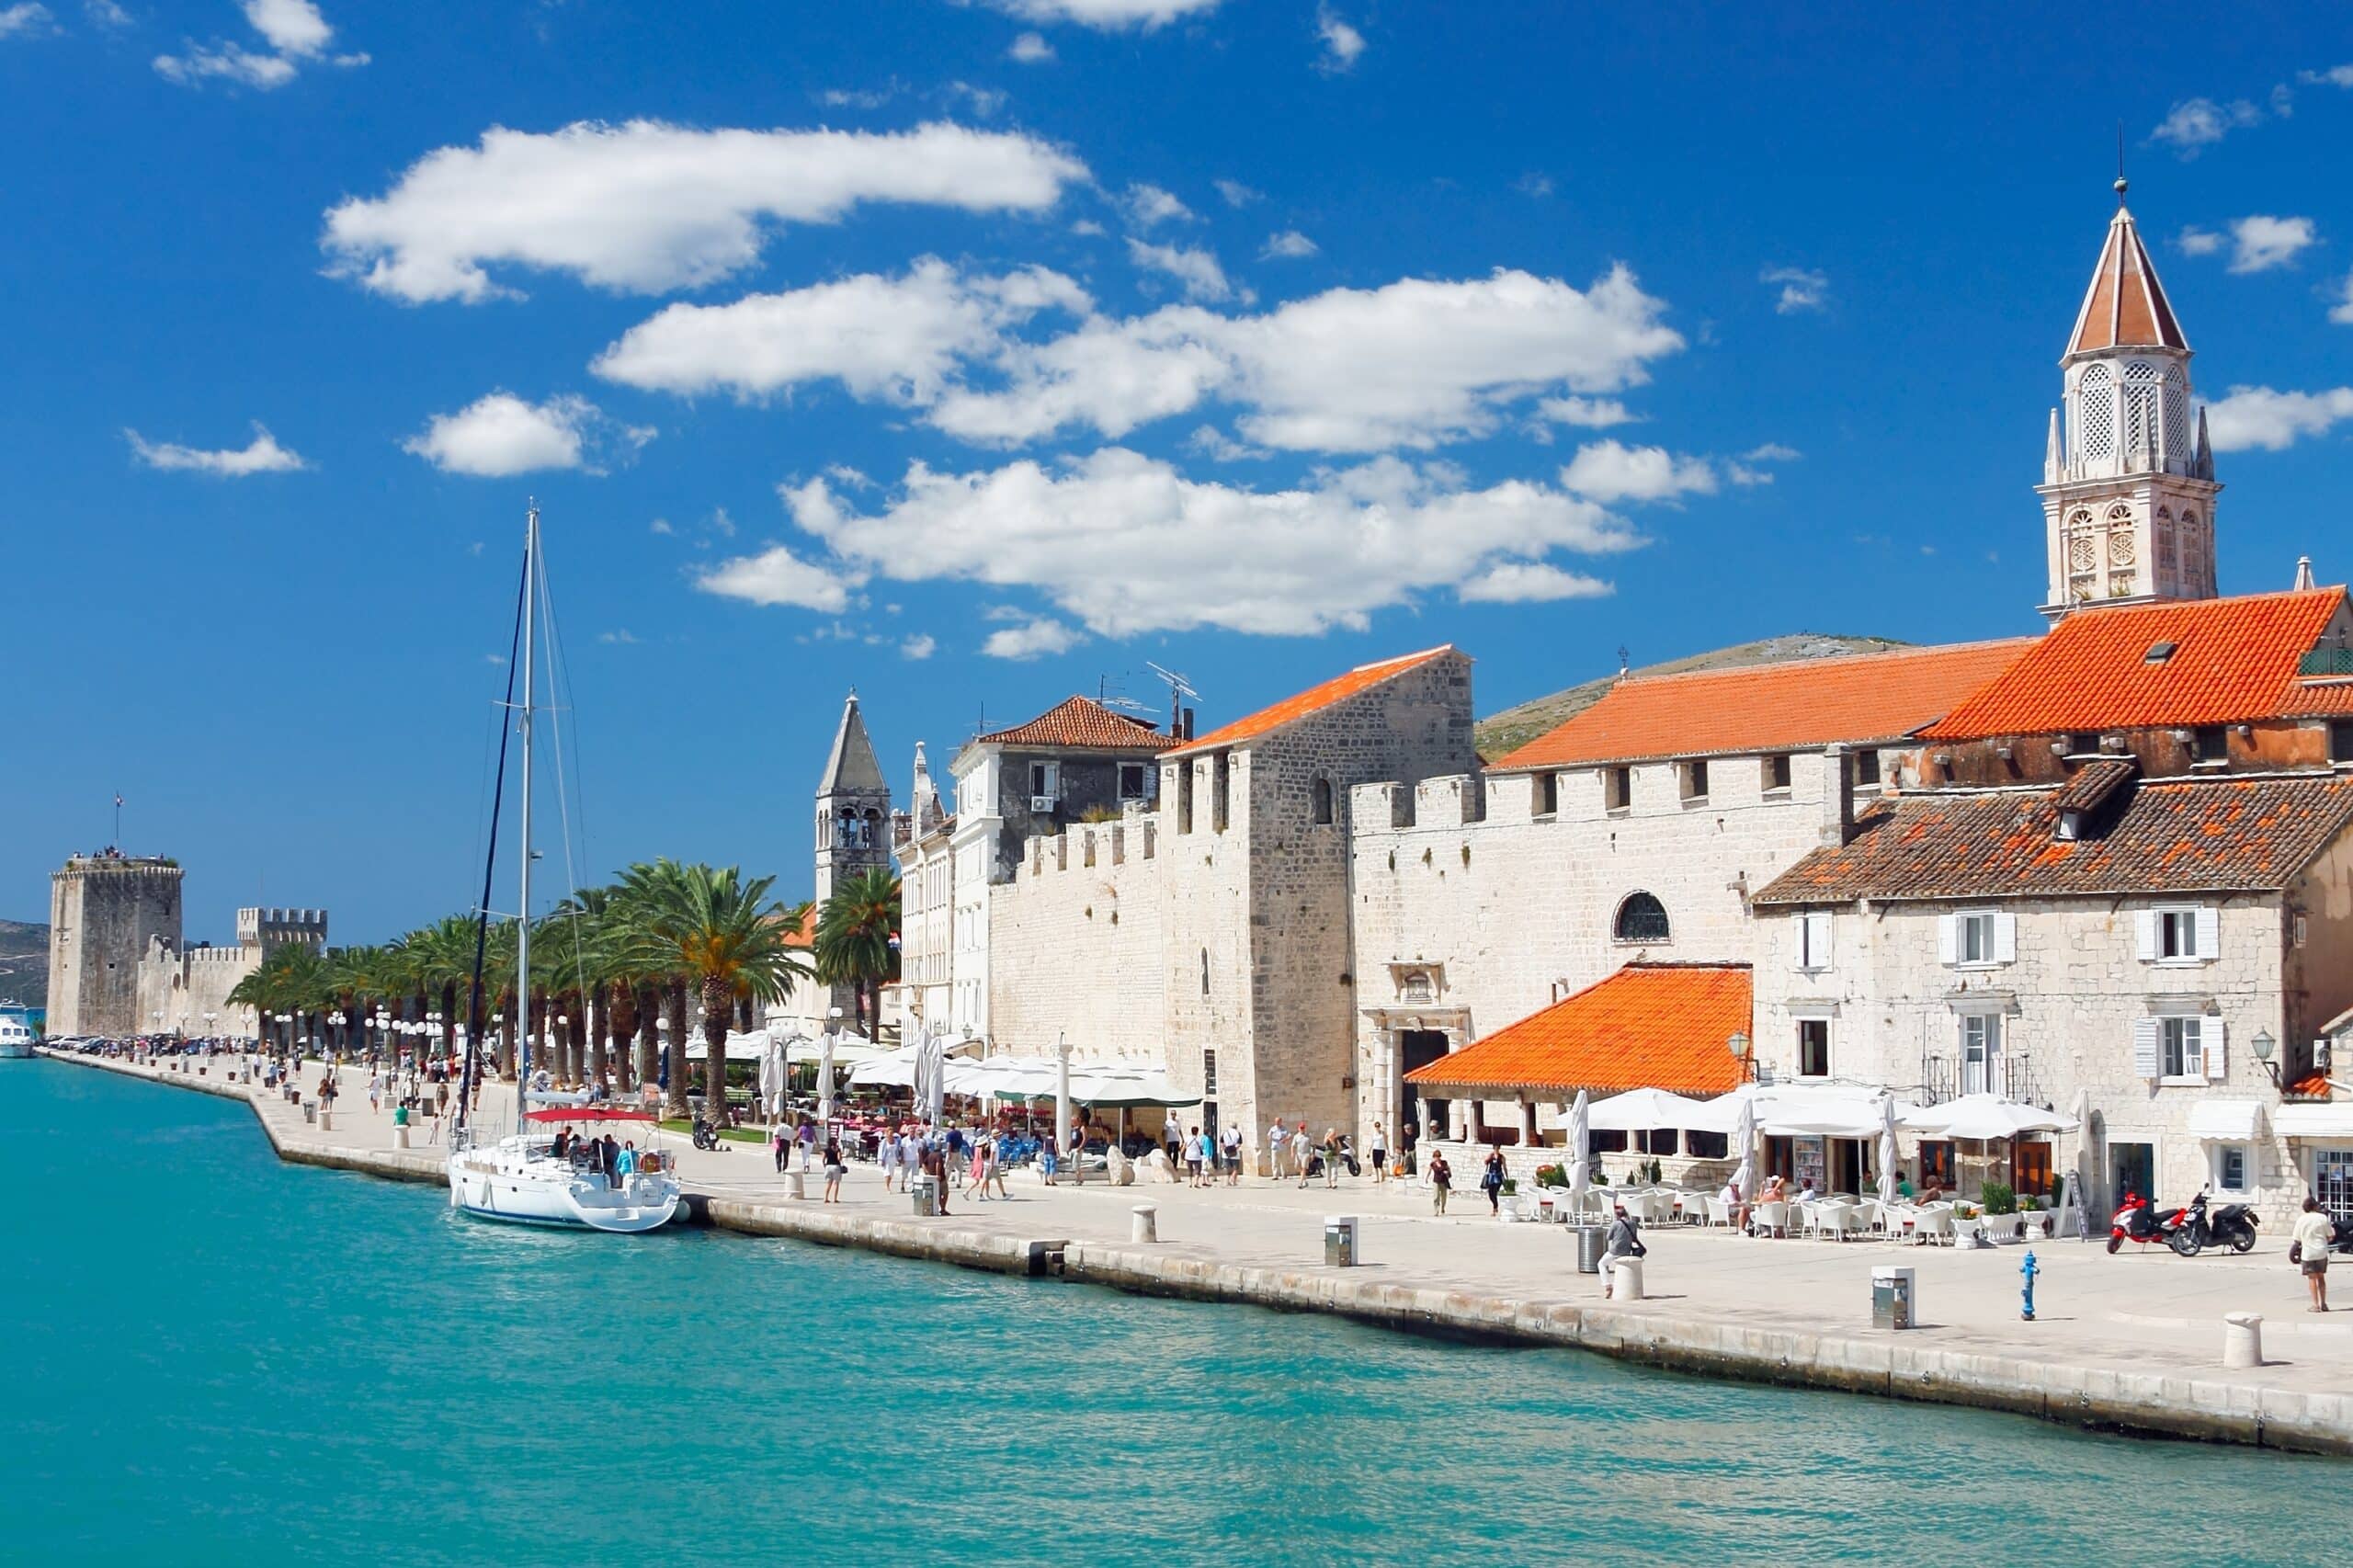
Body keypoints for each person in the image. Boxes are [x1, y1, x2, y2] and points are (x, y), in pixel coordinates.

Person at [2292, 1197, 2335, 1312]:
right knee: (2321, 1277)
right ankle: (2324, 1303)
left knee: (2312, 1278)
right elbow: (2330, 1235)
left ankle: (2315, 1305)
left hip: (2308, 1253)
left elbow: (2297, 1238)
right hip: (2321, 1251)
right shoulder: (2322, 1218)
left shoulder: (2301, 1219)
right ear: (2315, 1206)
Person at [1600, 1204, 1647, 1299]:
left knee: (1601, 1264)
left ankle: (1607, 1286)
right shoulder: (1633, 1224)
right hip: (1627, 1251)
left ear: (1618, 1215)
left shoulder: (1615, 1224)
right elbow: (1634, 1239)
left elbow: (1608, 1237)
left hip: (1615, 1251)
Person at [1481, 1147, 1507, 1215]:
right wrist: (1488, 1158)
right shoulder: (1491, 1156)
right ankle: (1495, 1205)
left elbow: (1504, 1166)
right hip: (1491, 1176)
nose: (1496, 1150)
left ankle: (1495, 1208)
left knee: (1495, 1193)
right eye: (1495, 1149)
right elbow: (1485, 1162)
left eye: (1497, 1149)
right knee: (1490, 1194)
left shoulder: (1501, 1157)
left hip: (1498, 1177)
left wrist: (1506, 1176)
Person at [1428, 1150, 1453, 1215]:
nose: (1437, 1158)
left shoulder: (1444, 1163)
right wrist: (1426, 1178)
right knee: (1436, 1196)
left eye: (1438, 1156)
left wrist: (1448, 1173)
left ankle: (1442, 1208)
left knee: (1444, 1197)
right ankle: (1436, 1210)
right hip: (1436, 1181)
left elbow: (1448, 1168)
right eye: (1436, 1157)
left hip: (1443, 1181)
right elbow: (1429, 1170)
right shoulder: (1432, 1164)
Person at [823, 1138, 847, 1203]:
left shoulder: (826, 1150)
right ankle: (835, 1199)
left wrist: (824, 1165)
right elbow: (839, 1159)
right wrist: (841, 1155)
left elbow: (823, 1159)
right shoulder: (837, 1150)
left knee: (829, 1184)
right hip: (836, 1167)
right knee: (836, 1183)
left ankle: (826, 1198)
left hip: (828, 1166)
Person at [1219, 1122, 1242, 1187]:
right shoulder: (1238, 1133)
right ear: (1236, 1127)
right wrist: (1234, 1149)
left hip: (1226, 1153)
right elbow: (1239, 1144)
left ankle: (1226, 1181)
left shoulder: (1225, 1133)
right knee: (1235, 1168)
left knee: (1226, 1168)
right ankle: (1233, 1181)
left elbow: (1221, 1143)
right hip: (1235, 1154)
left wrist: (1225, 1149)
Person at [1267, 1115, 1289, 1180]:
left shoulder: (1284, 1128)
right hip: (1275, 1147)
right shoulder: (1272, 1128)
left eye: (1278, 1121)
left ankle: (1284, 1175)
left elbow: (1289, 1135)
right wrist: (1269, 1138)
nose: (1277, 1123)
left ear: (1281, 1121)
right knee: (1274, 1162)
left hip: (1282, 1147)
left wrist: (1285, 1139)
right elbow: (1268, 1136)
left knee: (1283, 1162)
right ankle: (1275, 1175)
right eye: (1276, 1121)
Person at [1370, 1120, 1389, 1184]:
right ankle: (1377, 1178)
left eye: (1378, 1126)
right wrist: (1369, 1151)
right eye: (1376, 1126)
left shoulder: (1383, 1133)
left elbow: (1386, 1142)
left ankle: (1383, 1175)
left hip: (1381, 1150)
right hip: (1375, 1150)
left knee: (1379, 1165)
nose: (1377, 1127)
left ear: (1379, 1126)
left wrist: (1387, 1150)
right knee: (1375, 1165)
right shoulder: (1374, 1134)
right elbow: (1372, 1143)